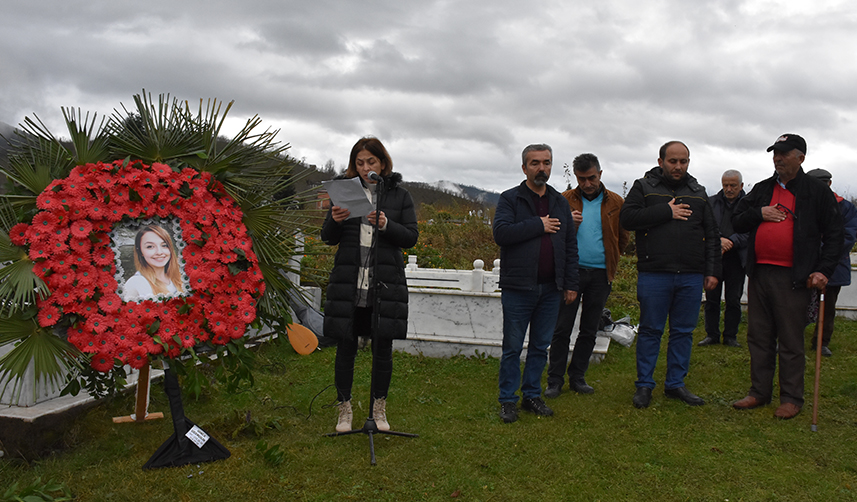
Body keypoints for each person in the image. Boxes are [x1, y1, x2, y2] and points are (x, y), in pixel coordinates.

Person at [731, 134, 842, 420]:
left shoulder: (816, 192)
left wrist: (823, 270)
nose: (777, 158)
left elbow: (834, 235)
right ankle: (759, 392)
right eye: (774, 154)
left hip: (793, 277)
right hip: (759, 273)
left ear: (800, 157)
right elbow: (738, 219)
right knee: (759, 335)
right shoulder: (762, 188)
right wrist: (759, 212)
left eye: (783, 153)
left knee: (791, 339)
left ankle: (792, 397)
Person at [321, 137, 418, 433]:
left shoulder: (399, 196)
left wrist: (388, 225)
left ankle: (379, 407)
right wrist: (335, 220)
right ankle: (344, 408)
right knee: (345, 347)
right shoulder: (345, 193)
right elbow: (327, 237)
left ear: (383, 163)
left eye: (371, 162)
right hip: (349, 284)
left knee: (382, 349)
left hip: (384, 285)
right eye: (360, 163)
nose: (365, 168)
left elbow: (411, 237)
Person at [619, 141, 721, 409]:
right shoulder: (644, 187)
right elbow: (627, 218)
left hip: (690, 274)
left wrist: (711, 271)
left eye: (683, 161)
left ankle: (675, 383)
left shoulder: (698, 192)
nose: (678, 166)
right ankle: (644, 385)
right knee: (651, 331)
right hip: (655, 273)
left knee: (683, 332)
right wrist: (667, 211)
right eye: (673, 161)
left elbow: (711, 235)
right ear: (661, 160)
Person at [493, 144, 579, 423]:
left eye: (547, 163)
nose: (542, 168)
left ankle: (531, 395)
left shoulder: (559, 202)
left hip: (551, 288)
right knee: (512, 348)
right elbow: (502, 233)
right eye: (535, 163)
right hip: (519, 287)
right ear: (524, 168)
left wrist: (570, 283)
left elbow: (569, 244)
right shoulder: (510, 199)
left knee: (541, 346)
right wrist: (538, 225)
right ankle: (508, 400)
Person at [545, 153, 628, 398]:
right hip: (571, 272)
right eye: (581, 179)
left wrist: (611, 260)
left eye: (591, 178)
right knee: (562, 328)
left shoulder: (616, 202)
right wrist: (567, 224)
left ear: (600, 174)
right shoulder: (562, 201)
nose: (587, 184)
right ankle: (555, 379)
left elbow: (622, 238)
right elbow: (551, 235)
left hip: (601, 274)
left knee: (589, 328)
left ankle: (578, 377)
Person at [804, 168, 857, 357]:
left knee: (827, 306)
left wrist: (823, 257)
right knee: (796, 305)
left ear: (829, 184)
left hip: (832, 266)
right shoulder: (802, 205)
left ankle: (821, 341)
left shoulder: (845, 207)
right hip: (803, 266)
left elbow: (847, 236)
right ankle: (791, 338)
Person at [698, 170, 749, 348]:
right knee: (712, 298)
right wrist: (718, 240)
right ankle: (711, 334)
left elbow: (752, 231)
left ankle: (730, 336)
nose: (728, 189)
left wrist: (732, 242)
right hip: (714, 257)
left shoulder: (750, 204)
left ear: (741, 186)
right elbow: (704, 225)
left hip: (737, 258)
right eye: (725, 185)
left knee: (733, 299)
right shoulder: (711, 202)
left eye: (733, 186)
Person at [123, 224, 184, 301]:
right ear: (140, 251)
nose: (159, 252)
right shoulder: (136, 283)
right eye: (150, 246)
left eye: (164, 245)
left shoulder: (180, 278)